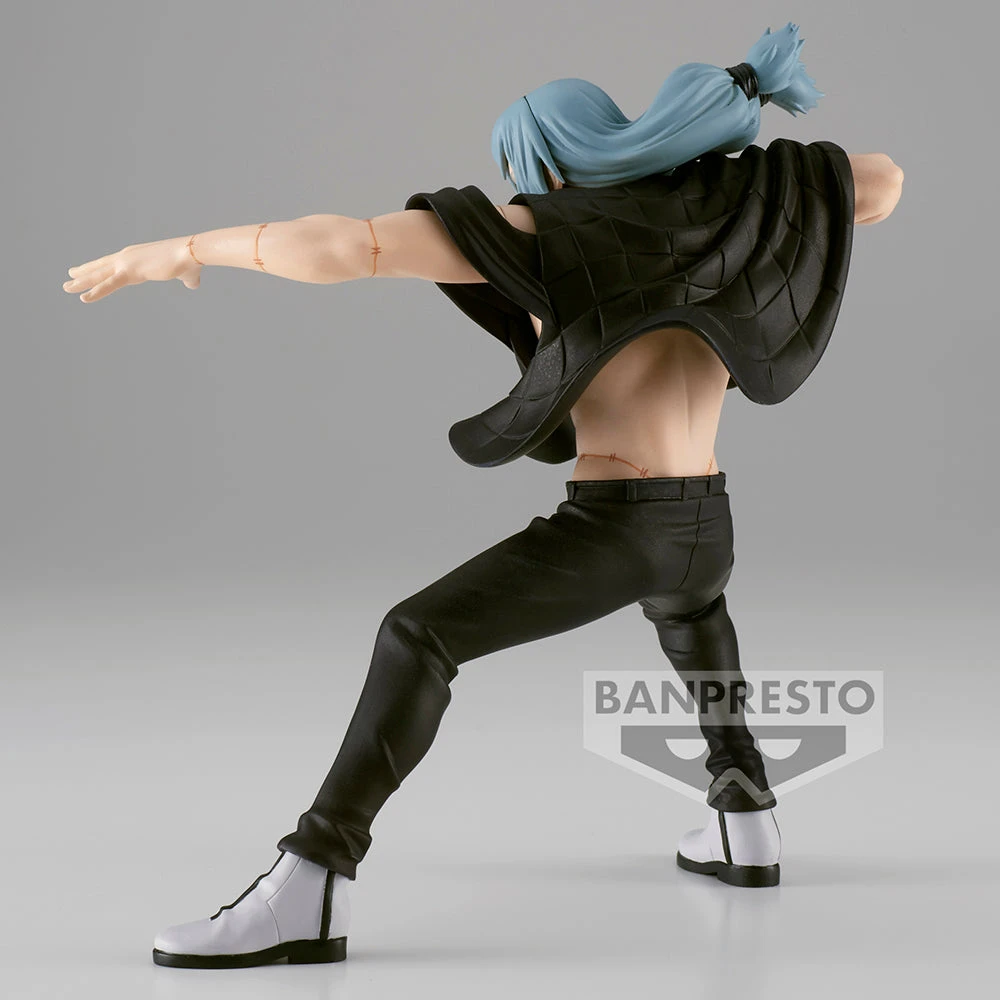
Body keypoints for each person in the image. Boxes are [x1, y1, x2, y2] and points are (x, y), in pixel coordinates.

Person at [62, 22, 902, 969]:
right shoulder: (724, 219)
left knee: (417, 636)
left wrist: (182, 247)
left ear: (544, 164)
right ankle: (746, 821)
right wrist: (734, 171)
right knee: (693, 613)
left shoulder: (543, 232)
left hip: (620, 526)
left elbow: (343, 245)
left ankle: (312, 881)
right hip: (708, 524)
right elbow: (881, 182)